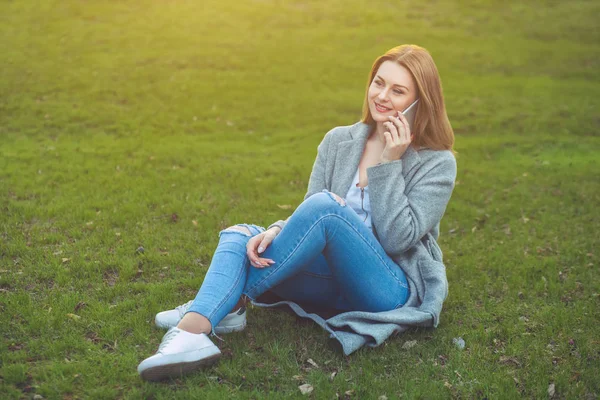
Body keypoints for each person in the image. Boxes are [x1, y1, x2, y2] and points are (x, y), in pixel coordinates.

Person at [137, 44, 457, 381]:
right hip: (328, 282)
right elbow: (308, 219)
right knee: (240, 235)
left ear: (420, 102)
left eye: (398, 90)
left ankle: (204, 315)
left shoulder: (437, 163)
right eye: (378, 83)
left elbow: (397, 240)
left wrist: (390, 163)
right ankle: (209, 321)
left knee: (327, 207)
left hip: (385, 288)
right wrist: (276, 230)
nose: (382, 95)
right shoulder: (339, 141)